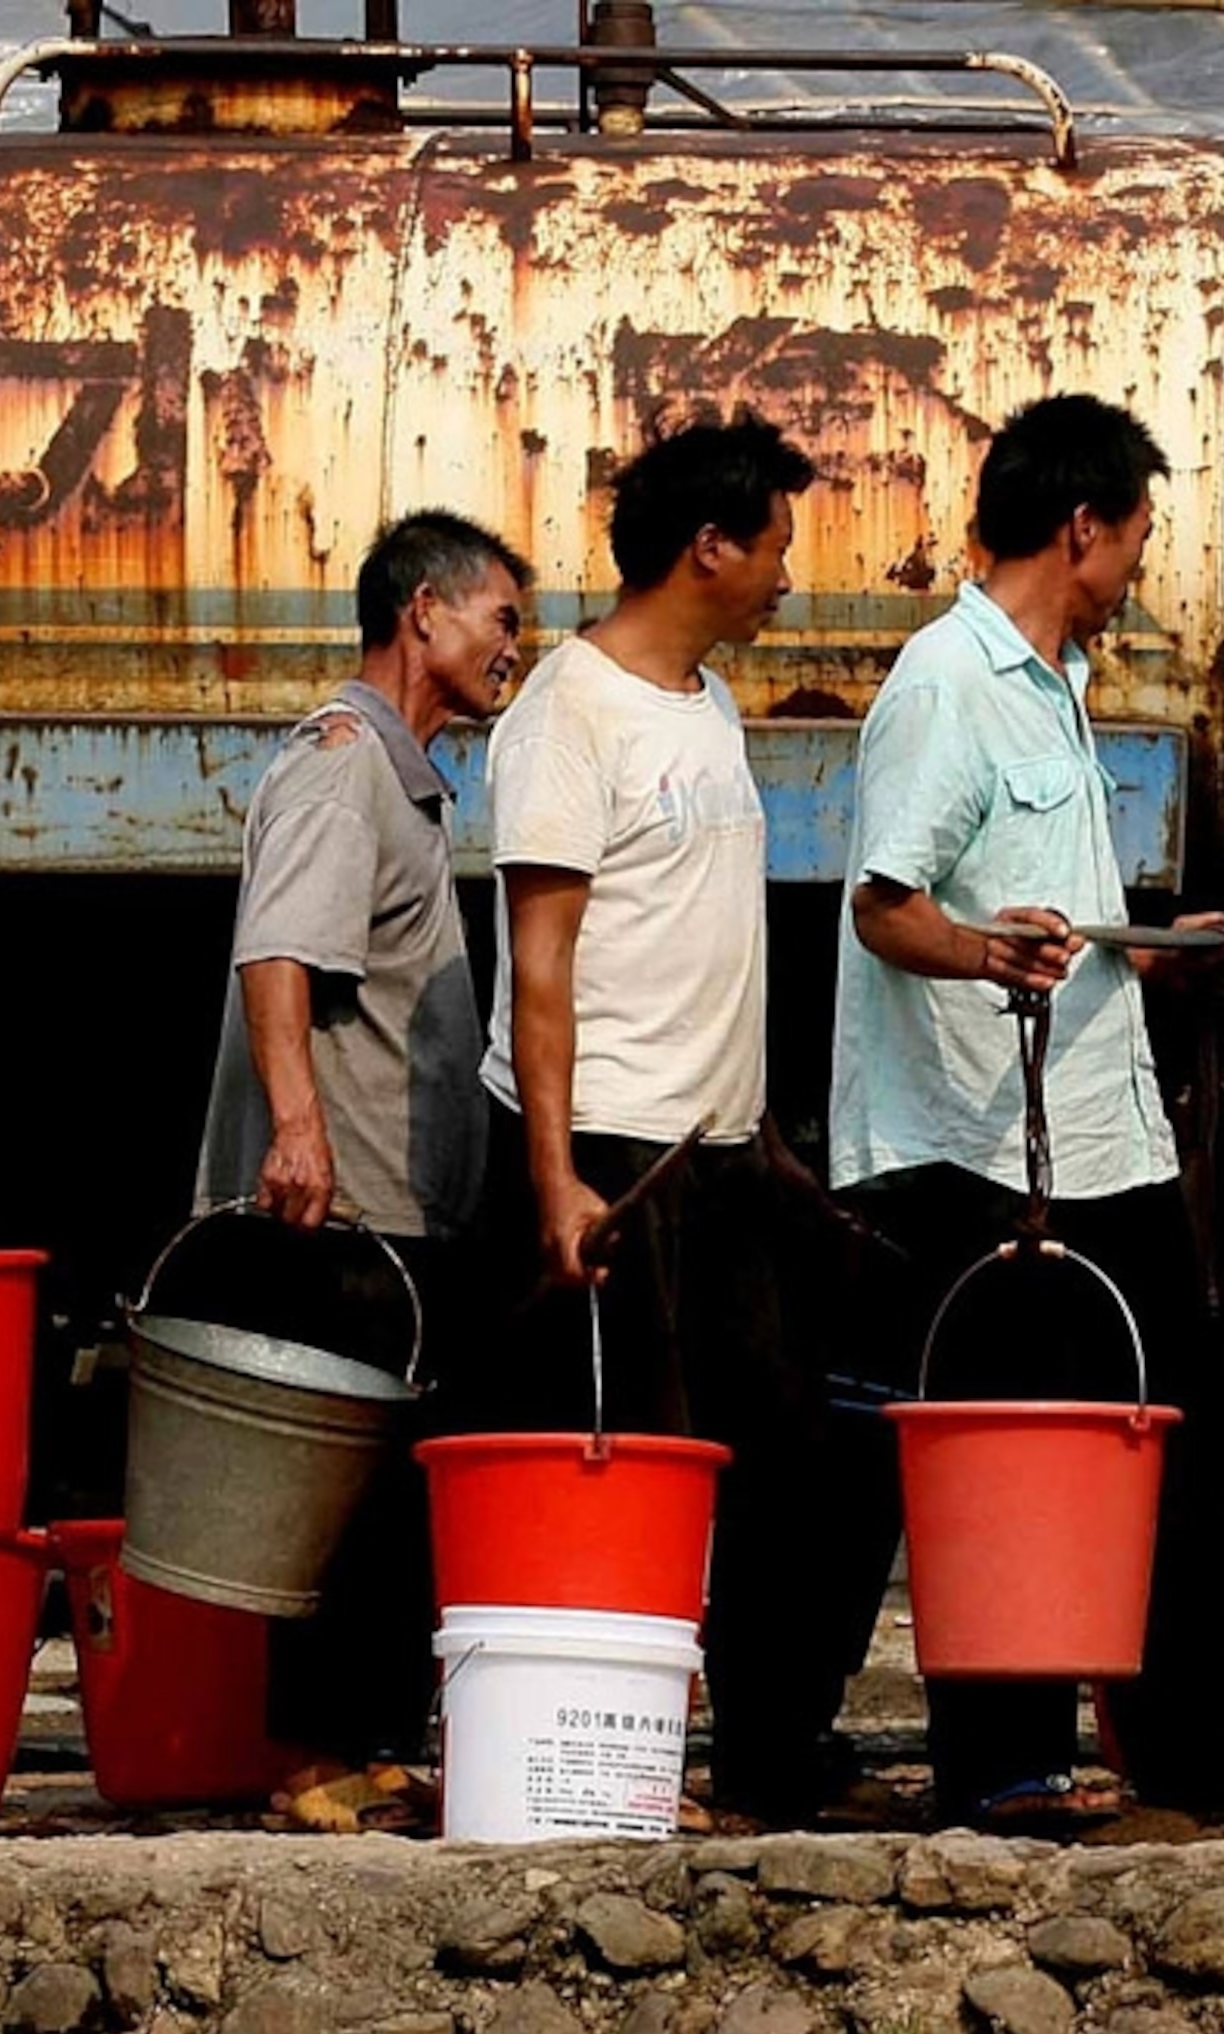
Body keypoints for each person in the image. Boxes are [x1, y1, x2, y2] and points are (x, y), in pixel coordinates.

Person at [831, 391, 1224, 1829]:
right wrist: (987, 953)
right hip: (979, 1144)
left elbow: (1039, 900)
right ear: (1081, 526)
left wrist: (1158, 940)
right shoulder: (947, 683)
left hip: (1103, 1136)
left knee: (1182, 1428)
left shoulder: (1060, 681)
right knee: (1011, 1445)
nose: (1142, 568)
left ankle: (1195, 1739)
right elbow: (885, 903)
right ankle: (1002, 1758)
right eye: (1139, 535)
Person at [480, 415, 861, 1826]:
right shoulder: (566, 713)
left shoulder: (699, 701)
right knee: (629, 1465)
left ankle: (766, 1760)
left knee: (779, 1461)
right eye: (773, 548)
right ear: (708, 546)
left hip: (723, 1148)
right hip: (620, 1155)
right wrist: (556, 1177)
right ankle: (616, 1772)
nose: (784, 580)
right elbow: (540, 965)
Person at [194, 509, 531, 1807]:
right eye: (501, 617)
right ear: (423, 614)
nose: (516, 645)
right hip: (349, 1216)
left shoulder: (398, 776)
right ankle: (324, 1756)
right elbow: (280, 950)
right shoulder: (344, 767)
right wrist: (298, 1126)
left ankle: (367, 1746)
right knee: (350, 1496)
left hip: (399, 1207)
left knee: (388, 1490)